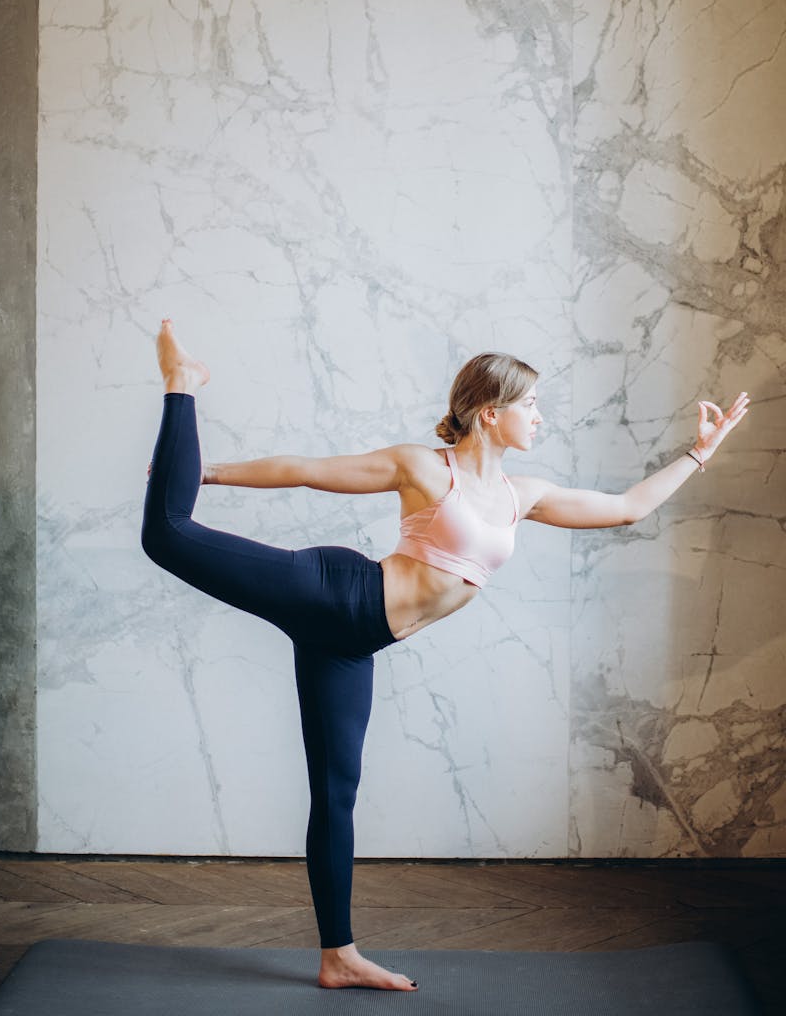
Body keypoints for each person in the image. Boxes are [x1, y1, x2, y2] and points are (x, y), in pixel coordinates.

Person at [142, 318, 749, 990]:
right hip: (333, 593)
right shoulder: (426, 469)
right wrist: (209, 472)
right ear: (492, 414)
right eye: (532, 407)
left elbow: (629, 507)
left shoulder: (524, 496)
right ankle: (182, 384)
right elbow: (308, 472)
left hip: (353, 642)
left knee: (335, 794)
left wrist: (700, 453)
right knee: (168, 531)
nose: (541, 419)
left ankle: (337, 956)